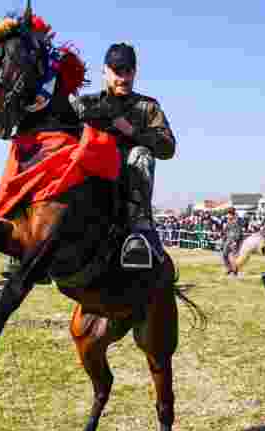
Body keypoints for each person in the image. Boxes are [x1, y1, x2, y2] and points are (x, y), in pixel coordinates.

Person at [70, 42, 176, 269]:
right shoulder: (85, 105)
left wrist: (132, 131)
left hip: (130, 192)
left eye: (129, 71)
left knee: (141, 154)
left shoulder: (148, 107)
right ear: (105, 71)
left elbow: (168, 148)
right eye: (118, 71)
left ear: (135, 72)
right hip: (92, 187)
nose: (124, 77)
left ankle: (140, 233)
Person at [221, 207, 244, 275]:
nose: (227, 215)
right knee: (224, 254)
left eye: (228, 214)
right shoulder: (228, 221)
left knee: (234, 257)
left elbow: (239, 232)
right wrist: (223, 236)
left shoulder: (236, 221)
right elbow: (226, 230)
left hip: (235, 240)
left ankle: (235, 270)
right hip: (229, 239)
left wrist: (235, 241)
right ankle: (229, 268)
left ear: (231, 214)